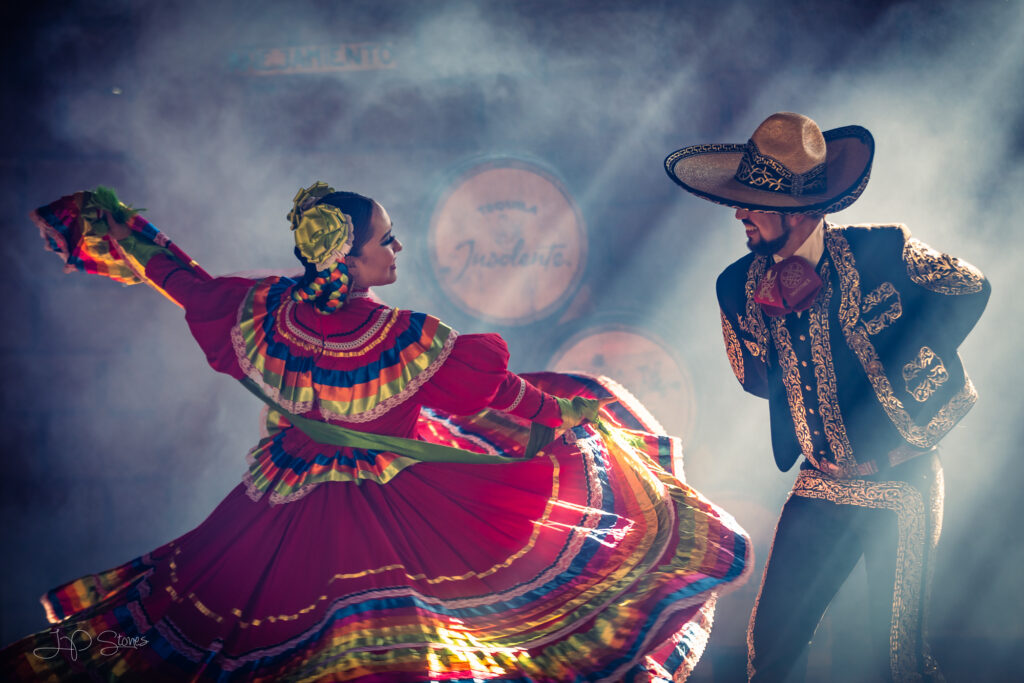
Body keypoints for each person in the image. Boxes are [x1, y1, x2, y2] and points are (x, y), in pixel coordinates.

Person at [4, 183, 751, 681]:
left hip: (273, 508)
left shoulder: (261, 313)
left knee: (196, 631)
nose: (397, 250)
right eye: (386, 241)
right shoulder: (410, 337)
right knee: (396, 649)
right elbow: (506, 400)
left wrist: (110, 225)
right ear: (350, 257)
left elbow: (181, 278)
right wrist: (571, 414)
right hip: (387, 514)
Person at [664, 112, 990, 682]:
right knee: (769, 654)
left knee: (897, 662)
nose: (738, 213)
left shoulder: (886, 249)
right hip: (821, 482)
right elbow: (753, 379)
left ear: (797, 210)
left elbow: (971, 288)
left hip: (903, 483)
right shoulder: (735, 283)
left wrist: (910, 361)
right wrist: (769, 325)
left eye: (752, 201)